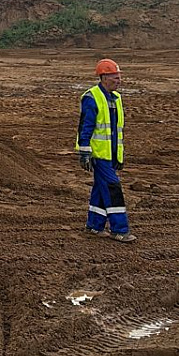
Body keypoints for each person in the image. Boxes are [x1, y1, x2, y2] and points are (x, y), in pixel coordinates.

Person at [76, 58, 136, 243]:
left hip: (110, 154)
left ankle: (94, 226)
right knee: (112, 189)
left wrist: (119, 155)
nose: (119, 81)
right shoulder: (92, 97)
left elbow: (115, 131)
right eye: (115, 78)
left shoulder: (116, 99)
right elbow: (86, 126)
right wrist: (85, 151)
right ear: (104, 78)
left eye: (119, 77)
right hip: (99, 154)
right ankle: (120, 229)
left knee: (101, 189)